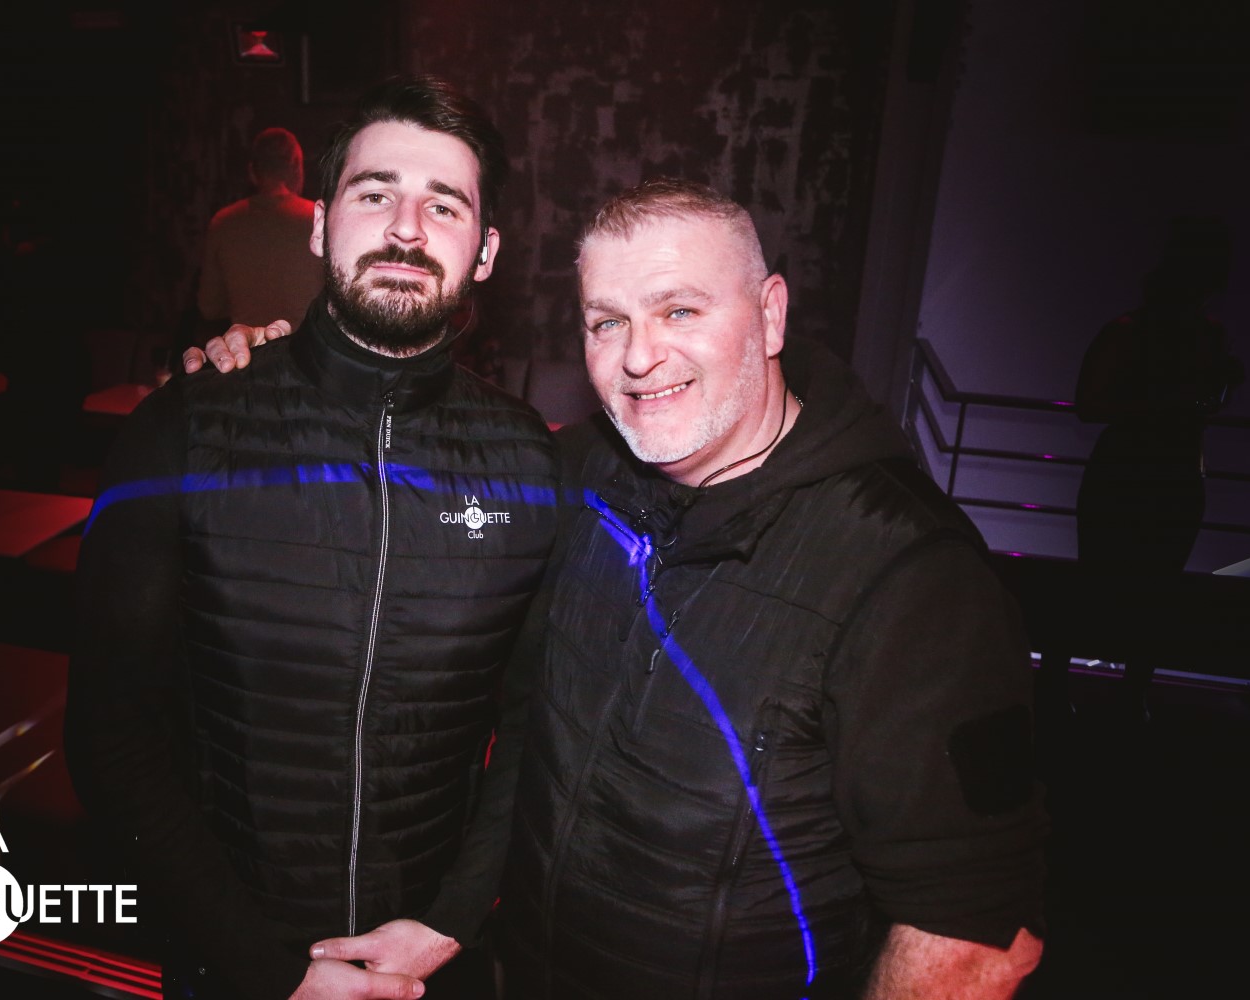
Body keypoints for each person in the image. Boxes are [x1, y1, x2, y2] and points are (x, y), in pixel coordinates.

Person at [199, 182, 1047, 998]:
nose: (640, 357)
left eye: (679, 311)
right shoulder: (585, 473)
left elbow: (975, 935)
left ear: (771, 314)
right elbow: (413, 465)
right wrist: (283, 373)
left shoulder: (912, 576)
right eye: (608, 322)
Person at [66, 77, 559, 1000]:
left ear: (486, 251)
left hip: (431, 967)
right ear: (321, 224)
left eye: (443, 205)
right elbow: (111, 735)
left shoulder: (531, 463)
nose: (406, 229)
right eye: (375, 194)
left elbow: (537, 725)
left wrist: (452, 921)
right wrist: (269, 972)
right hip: (233, 965)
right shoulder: (185, 428)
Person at [1072, 217, 1243, 723]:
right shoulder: (1190, 334)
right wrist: (1198, 394)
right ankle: (1128, 694)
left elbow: (1091, 402)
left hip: (1138, 470)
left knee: (1114, 580)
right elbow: (1195, 404)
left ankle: (1072, 683)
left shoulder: (1136, 330)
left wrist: (1197, 395)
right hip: (1166, 472)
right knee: (1147, 584)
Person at [197, 127, 323, 332]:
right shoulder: (318, 218)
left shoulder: (223, 223)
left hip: (247, 348)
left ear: (252, 172)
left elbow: (209, 308)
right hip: (306, 348)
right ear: (297, 168)